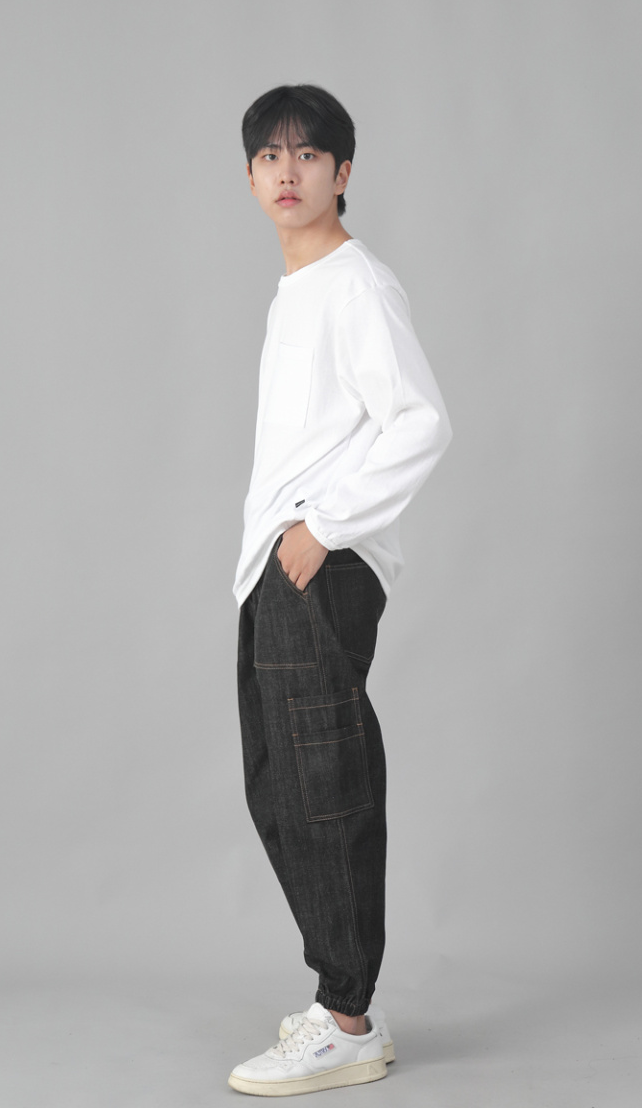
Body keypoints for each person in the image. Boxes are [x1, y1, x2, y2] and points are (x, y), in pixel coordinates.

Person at [229, 83, 451, 1097]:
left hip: (321, 564)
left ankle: (347, 1019)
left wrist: (323, 528)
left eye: (308, 154)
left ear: (342, 172)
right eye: (270, 156)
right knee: (279, 785)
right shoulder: (300, 289)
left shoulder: (356, 285)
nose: (288, 171)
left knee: (323, 792)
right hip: (278, 567)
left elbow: (421, 420)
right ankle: (341, 1000)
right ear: (249, 177)